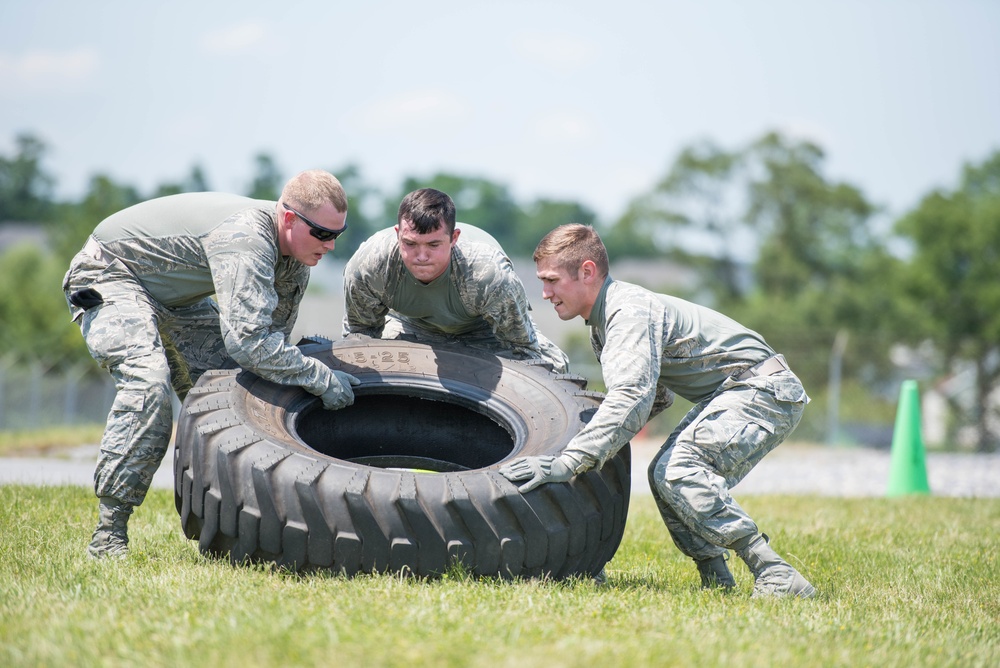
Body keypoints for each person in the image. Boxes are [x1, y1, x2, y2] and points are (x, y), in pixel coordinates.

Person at [499, 224, 816, 598]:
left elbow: (632, 396)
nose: (545, 292)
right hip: (735, 392)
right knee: (662, 473)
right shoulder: (603, 323)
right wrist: (585, 439)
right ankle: (715, 576)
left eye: (552, 280)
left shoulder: (627, 313)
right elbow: (657, 397)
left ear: (586, 271)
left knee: (680, 469)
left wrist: (569, 461)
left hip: (763, 390)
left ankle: (776, 573)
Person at [63, 169, 360, 559]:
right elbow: (250, 342)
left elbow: (267, 354)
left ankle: (233, 525)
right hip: (113, 275)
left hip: (177, 301)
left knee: (236, 394)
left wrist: (303, 367)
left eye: (336, 234)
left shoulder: (296, 262)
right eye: (322, 233)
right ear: (288, 218)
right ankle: (108, 534)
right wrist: (319, 376)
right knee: (149, 385)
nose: (331, 245)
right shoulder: (248, 237)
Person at [342, 188, 569, 372]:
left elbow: (523, 352)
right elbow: (360, 339)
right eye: (410, 244)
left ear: (454, 238)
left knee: (554, 370)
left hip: (485, 330)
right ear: (397, 234)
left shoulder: (488, 275)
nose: (421, 257)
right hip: (409, 324)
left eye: (433, 245)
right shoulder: (370, 266)